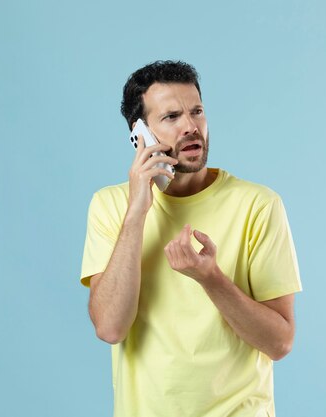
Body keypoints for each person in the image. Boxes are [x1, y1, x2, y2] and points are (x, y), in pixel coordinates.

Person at [80, 60, 302, 417]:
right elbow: (109, 327)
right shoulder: (110, 206)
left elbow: (279, 342)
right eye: (171, 117)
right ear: (140, 134)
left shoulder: (258, 205)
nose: (191, 127)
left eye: (196, 112)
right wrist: (137, 212)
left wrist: (211, 279)